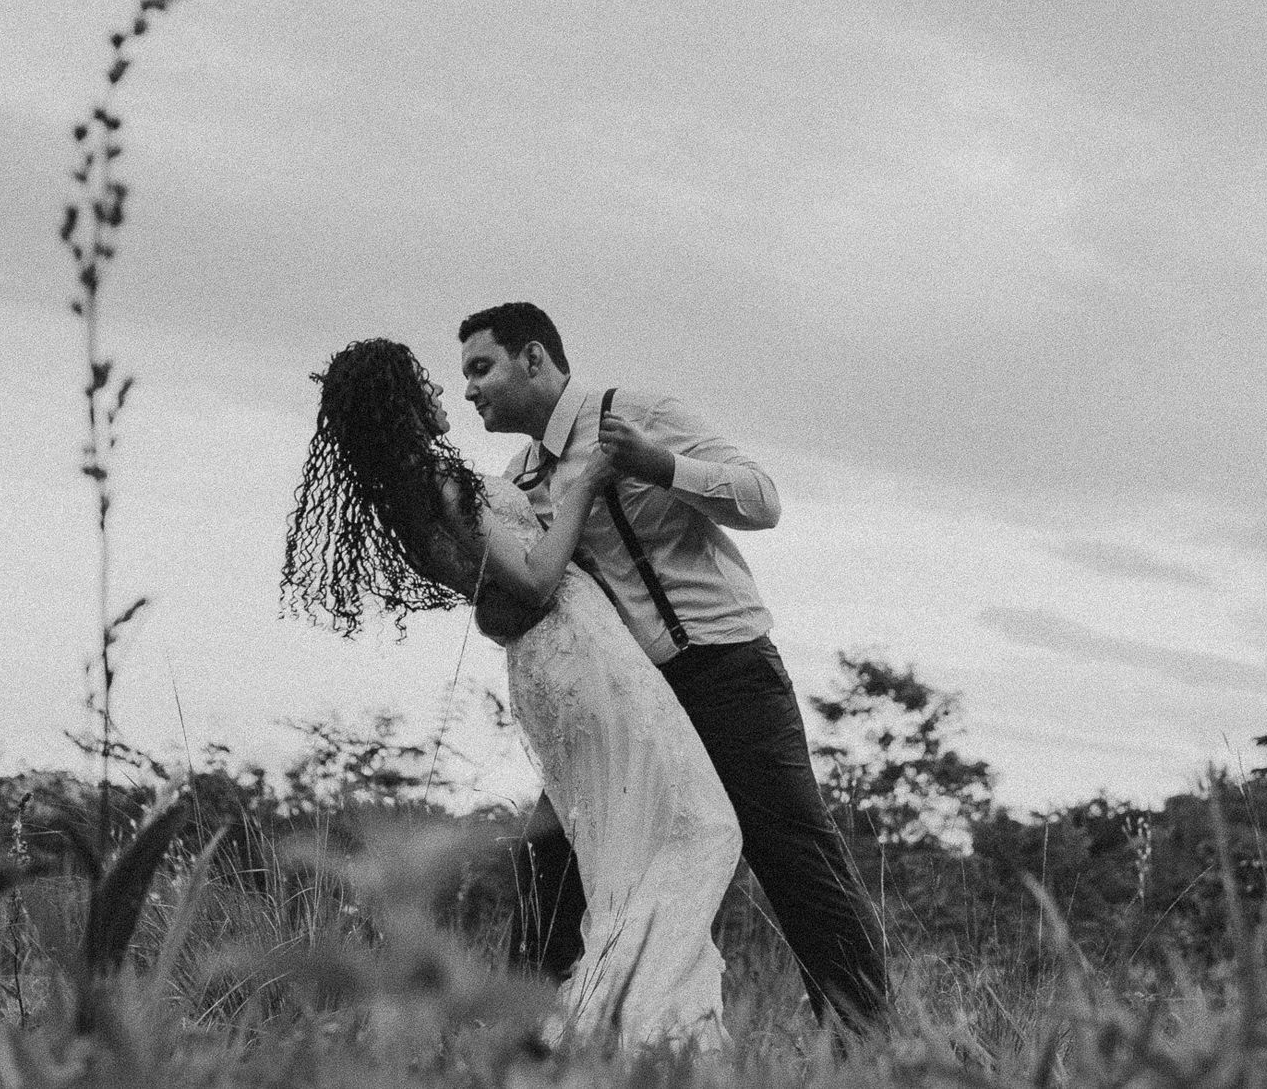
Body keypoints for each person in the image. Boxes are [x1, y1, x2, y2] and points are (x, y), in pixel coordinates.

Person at [281, 338, 743, 1048]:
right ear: (401, 403)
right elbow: (530, 581)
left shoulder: (405, 496)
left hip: (555, 661)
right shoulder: (437, 482)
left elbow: (493, 599)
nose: (447, 395)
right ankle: (620, 1026)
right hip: (580, 659)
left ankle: (618, 1023)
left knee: (624, 844)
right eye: (427, 385)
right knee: (698, 827)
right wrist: (585, 484)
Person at [458, 302, 889, 1033]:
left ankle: (874, 1053)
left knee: (796, 862)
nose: (469, 390)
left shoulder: (639, 411)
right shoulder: (518, 476)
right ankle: (521, 1052)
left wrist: (662, 467)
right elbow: (521, 599)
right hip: (626, 704)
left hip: (726, 670)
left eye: (481, 368)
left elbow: (762, 501)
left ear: (534, 358)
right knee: (547, 864)